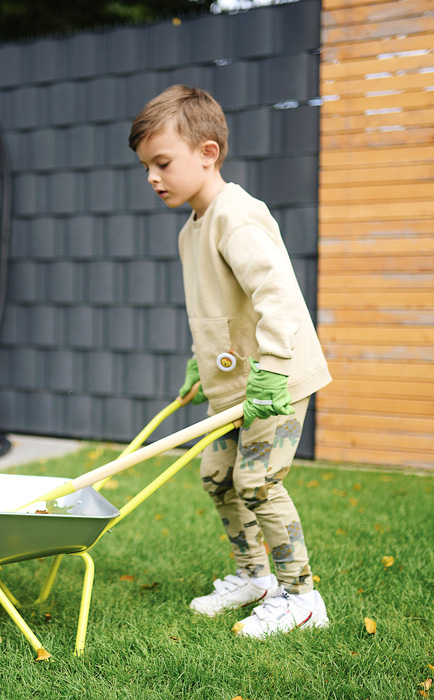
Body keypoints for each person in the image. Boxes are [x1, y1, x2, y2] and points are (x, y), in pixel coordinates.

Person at [129, 85, 332, 638]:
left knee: (258, 479)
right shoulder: (191, 230)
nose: (153, 177)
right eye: (147, 165)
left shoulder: (236, 217)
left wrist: (270, 367)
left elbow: (277, 297)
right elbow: (216, 310)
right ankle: (254, 576)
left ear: (208, 152)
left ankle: (301, 596)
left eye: (163, 163)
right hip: (235, 383)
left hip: (276, 377)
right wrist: (202, 363)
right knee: (218, 477)